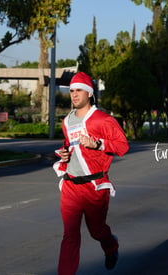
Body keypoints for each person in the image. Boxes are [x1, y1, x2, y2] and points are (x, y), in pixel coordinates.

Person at [53, 72, 129, 275]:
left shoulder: (102, 120)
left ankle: (111, 245)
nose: (74, 94)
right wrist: (65, 155)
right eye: (71, 91)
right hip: (70, 185)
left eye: (78, 90)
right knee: (70, 235)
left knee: (96, 231)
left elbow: (122, 146)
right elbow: (68, 144)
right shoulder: (67, 121)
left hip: (94, 187)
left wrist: (98, 143)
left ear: (89, 93)